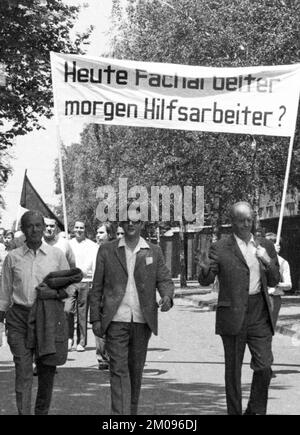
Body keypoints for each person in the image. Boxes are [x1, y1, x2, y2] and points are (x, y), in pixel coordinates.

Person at [198, 201, 280, 415]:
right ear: (232, 222)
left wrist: (267, 260)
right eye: (241, 220)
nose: (246, 224)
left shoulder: (265, 246)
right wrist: (204, 264)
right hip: (232, 314)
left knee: (264, 367)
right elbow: (206, 280)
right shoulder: (220, 247)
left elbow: (274, 280)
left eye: (249, 219)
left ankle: (255, 411)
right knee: (233, 372)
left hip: (259, 313)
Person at [90, 214, 174, 415]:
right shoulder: (107, 250)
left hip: (141, 321)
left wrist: (167, 297)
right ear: (120, 223)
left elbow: (164, 280)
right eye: (127, 221)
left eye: (135, 221)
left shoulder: (153, 251)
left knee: (135, 373)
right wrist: (95, 319)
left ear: (142, 224)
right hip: (116, 320)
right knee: (118, 371)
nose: (131, 224)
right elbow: (97, 287)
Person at [0, 210, 70, 415]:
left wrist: (56, 296)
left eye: (38, 225)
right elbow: (4, 292)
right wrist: (1, 322)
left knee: (47, 372)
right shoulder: (12, 258)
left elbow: (70, 287)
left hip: (47, 318)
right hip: (19, 319)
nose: (35, 229)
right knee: (23, 371)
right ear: (22, 230)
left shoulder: (56, 256)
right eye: (29, 226)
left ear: (44, 228)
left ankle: (41, 412)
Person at [69, 220, 98, 352]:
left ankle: (82, 342)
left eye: (81, 228)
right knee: (68, 310)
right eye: (77, 228)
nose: (79, 230)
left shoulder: (92, 245)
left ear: (85, 229)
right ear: (73, 229)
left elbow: (93, 264)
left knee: (82, 312)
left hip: (85, 281)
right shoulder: (68, 244)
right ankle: (69, 338)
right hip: (69, 281)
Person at [93, 222, 115, 370]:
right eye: (97, 232)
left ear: (109, 234)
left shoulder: (114, 251)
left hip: (111, 293)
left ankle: (112, 356)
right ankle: (102, 357)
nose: (98, 235)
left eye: (101, 232)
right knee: (98, 324)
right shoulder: (92, 248)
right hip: (96, 291)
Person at [265, 232, 292, 325]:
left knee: (267, 330)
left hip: (273, 298)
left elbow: (289, 285)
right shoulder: (258, 259)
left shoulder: (283, 262)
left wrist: (277, 283)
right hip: (257, 297)